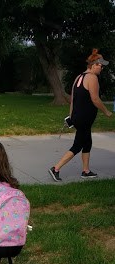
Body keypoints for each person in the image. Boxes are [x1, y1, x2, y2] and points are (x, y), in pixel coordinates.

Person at [49, 49, 112, 182]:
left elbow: (73, 100)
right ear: (94, 65)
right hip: (84, 119)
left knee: (87, 143)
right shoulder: (92, 78)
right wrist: (106, 111)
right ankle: (55, 168)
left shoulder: (79, 77)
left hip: (79, 117)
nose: (102, 68)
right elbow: (95, 99)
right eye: (100, 65)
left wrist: (71, 116)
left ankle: (86, 171)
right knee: (78, 145)